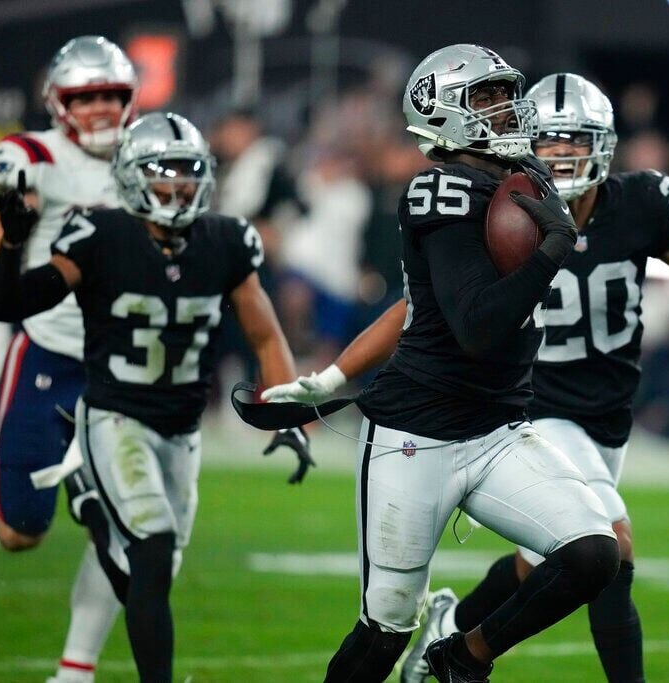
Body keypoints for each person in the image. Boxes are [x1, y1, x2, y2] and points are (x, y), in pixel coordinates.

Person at [265, 73, 669, 682]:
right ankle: (466, 656)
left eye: (573, 139)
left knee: (539, 564)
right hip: (530, 409)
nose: (559, 152)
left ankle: (456, 629)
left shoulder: (636, 204)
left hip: (604, 414)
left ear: (603, 144)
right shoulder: (505, 204)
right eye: (547, 138)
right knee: (612, 550)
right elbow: (424, 305)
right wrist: (332, 374)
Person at [267, 45, 623, 683]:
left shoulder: (527, 181)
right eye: (487, 96)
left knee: (595, 554)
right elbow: (478, 327)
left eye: (506, 93)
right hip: (416, 435)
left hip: (497, 430)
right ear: (441, 108)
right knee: (384, 634)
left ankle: (462, 657)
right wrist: (551, 254)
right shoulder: (440, 188)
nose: (507, 107)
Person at [0, 111, 312, 683]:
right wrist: (12, 246)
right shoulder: (99, 235)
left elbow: (266, 334)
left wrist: (285, 411)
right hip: (114, 417)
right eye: (163, 171)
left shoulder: (224, 239)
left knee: (153, 565)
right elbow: (12, 302)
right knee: (150, 546)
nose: (178, 185)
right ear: (132, 175)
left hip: (181, 432)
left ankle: (90, 506)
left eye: (188, 172)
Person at [0, 35, 137, 683]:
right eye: (87, 96)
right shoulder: (27, 157)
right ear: (58, 101)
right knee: (20, 531)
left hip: (120, 369)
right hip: (42, 350)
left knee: (125, 524)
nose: (103, 108)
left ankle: (74, 670)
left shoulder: (151, 157)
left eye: (113, 94)